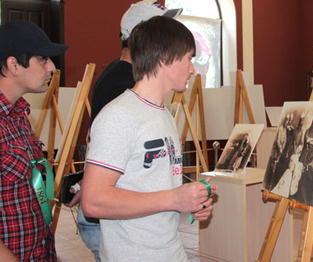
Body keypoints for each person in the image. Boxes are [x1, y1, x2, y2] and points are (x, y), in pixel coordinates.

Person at [81, 16, 216, 261]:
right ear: (166, 56)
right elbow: (93, 201)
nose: (192, 69)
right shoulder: (118, 116)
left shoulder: (163, 115)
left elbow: (155, 190)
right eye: (188, 58)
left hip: (171, 252)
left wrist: (189, 201)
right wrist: (174, 198)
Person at [66, 2, 183, 260]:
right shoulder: (126, 86)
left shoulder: (122, 76)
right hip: (117, 225)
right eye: (161, 31)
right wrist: (173, 199)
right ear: (143, 38)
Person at [0, 20, 68, 261]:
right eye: (43, 59)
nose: (51, 67)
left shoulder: (19, 115)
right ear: (13, 65)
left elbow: (31, 188)